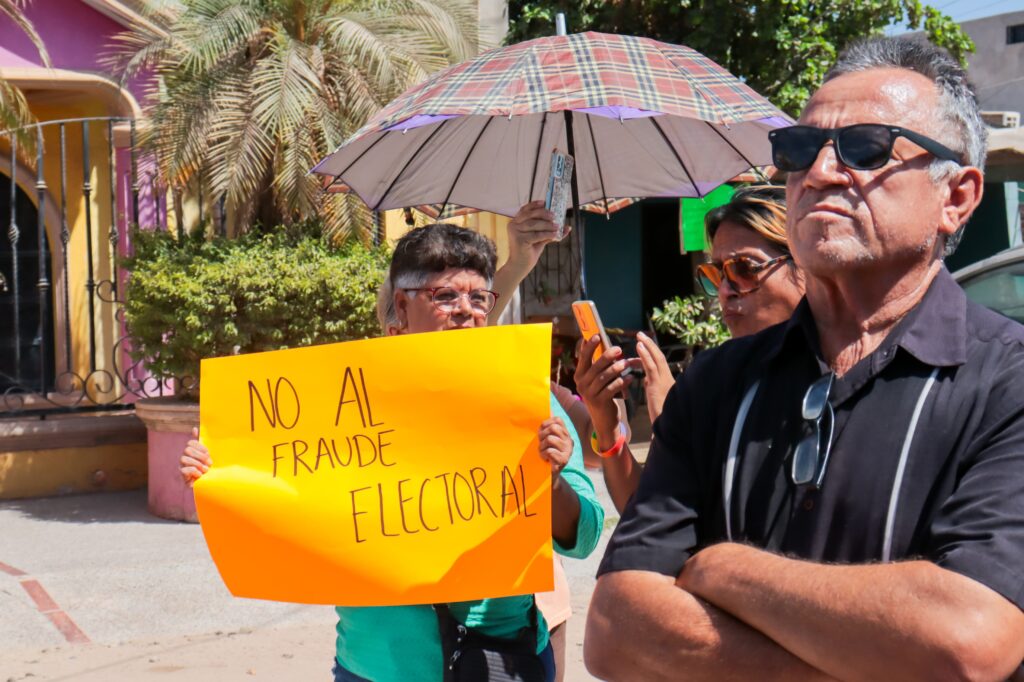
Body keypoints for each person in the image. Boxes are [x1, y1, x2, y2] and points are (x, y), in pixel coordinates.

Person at [581, 36, 1024, 681]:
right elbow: (616, 630)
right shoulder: (715, 384)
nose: (818, 172)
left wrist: (721, 567)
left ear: (955, 197)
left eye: (866, 148)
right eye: (798, 150)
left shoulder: (1006, 382)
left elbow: (965, 640)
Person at [183, 222, 604, 682]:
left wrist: (553, 480)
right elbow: (289, 500)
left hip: (498, 660)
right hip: (374, 666)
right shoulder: (344, 402)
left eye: (479, 297)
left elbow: (583, 537)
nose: (465, 310)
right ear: (401, 307)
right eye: (445, 296)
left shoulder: (527, 401)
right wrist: (218, 476)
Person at [634, 184, 805, 429]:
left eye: (744, 269)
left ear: (806, 265)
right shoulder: (713, 382)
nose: (725, 292)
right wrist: (609, 431)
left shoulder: (850, 378)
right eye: (716, 275)